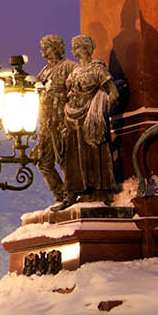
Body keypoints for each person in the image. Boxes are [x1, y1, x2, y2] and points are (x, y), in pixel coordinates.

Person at [61, 35, 118, 204]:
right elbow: (69, 93)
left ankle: (100, 190)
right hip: (72, 116)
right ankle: (73, 192)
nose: (74, 51)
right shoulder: (75, 72)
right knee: (72, 155)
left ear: (86, 48)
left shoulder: (97, 69)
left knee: (94, 153)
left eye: (77, 47)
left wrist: (100, 109)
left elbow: (113, 93)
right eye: (73, 47)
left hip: (90, 116)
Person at [35, 35, 75, 207]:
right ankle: (61, 195)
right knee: (42, 161)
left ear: (57, 48)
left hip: (62, 121)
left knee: (65, 159)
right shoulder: (43, 72)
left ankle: (72, 196)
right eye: (42, 47)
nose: (43, 51)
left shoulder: (70, 67)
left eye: (47, 47)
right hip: (46, 123)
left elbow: (77, 93)